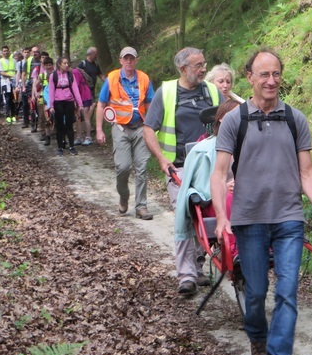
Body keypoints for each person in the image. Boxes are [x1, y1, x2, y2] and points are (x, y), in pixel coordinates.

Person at [210, 48, 312, 355]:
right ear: (249, 77)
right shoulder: (235, 120)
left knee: (287, 291)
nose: (271, 80)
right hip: (249, 220)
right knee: (255, 292)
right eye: (264, 74)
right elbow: (219, 173)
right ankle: (257, 336)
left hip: (289, 217)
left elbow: (307, 172)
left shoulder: (295, 118)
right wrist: (222, 216)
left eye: (276, 73)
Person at [143, 47, 223, 295]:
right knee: (184, 215)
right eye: (198, 65)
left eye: (204, 64)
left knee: (205, 216)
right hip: (177, 166)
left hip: (209, 166)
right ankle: (186, 275)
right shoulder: (166, 92)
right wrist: (161, 160)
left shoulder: (212, 91)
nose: (203, 69)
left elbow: (228, 123)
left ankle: (198, 267)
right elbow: (148, 129)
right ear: (183, 68)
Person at [174, 99, 240, 296]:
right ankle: (236, 252)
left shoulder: (253, 145)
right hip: (214, 201)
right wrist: (222, 187)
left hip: (247, 197)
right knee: (229, 198)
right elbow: (199, 184)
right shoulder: (203, 150)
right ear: (221, 121)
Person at [96, 47, 154, 220]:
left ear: (136, 60)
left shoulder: (143, 78)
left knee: (142, 168)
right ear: (121, 60)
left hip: (140, 128)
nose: (129, 62)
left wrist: (151, 126)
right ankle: (123, 196)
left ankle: (141, 206)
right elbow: (101, 104)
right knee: (123, 167)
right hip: (120, 128)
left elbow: (151, 104)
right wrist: (99, 130)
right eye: (126, 59)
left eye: (132, 59)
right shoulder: (112, 78)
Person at [48, 57, 83, 156]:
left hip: (69, 101)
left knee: (69, 125)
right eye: (64, 63)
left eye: (68, 63)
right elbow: (51, 91)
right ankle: (60, 147)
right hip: (58, 102)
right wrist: (51, 106)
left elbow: (75, 89)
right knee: (59, 125)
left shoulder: (70, 75)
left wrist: (80, 104)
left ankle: (72, 146)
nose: (67, 65)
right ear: (59, 64)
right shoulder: (53, 76)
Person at [78, 47, 107, 142]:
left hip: (92, 90)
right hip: (83, 91)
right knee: (89, 108)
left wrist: (108, 82)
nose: (97, 55)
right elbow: (76, 74)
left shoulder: (95, 64)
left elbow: (100, 75)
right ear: (90, 54)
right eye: (95, 53)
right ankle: (86, 126)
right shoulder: (83, 64)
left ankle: (87, 125)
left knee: (92, 107)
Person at [72, 63, 94, 146]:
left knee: (85, 116)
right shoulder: (72, 72)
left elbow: (75, 86)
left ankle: (88, 137)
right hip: (80, 97)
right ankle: (79, 137)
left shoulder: (74, 72)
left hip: (85, 96)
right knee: (78, 117)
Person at [21, 46, 41, 128]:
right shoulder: (28, 61)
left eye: (36, 51)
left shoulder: (42, 61)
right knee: (30, 104)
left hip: (40, 84)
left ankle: (40, 122)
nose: (35, 53)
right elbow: (24, 74)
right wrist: (23, 86)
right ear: (31, 53)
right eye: (33, 52)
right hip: (30, 84)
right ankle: (29, 122)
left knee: (39, 104)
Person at [0, 46, 18, 123]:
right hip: (5, 82)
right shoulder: (0, 61)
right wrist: (11, 76)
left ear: (9, 51)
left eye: (7, 51)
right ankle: (8, 115)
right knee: (7, 98)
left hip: (13, 82)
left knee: (13, 99)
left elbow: (17, 70)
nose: (6, 52)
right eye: (4, 51)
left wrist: (15, 78)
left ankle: (13, 115)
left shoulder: (14, 60)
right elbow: (1, 72)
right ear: (2, 52)